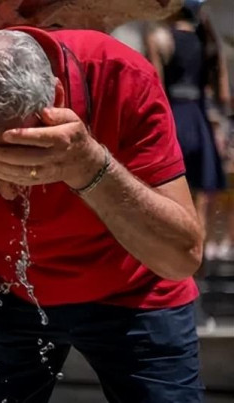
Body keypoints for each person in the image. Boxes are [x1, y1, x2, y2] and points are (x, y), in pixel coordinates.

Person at [0, 27, 205, 403]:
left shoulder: (120, 76)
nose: (6, 190)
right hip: (9, 288)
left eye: (21, 157)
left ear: (57, 100)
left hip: (135, 290)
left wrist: (90, 166)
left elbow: (183, 257)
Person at [146, 0, 231, 330]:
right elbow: (223, 95)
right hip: (200, 121)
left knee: (169, 207)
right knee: (201, 212)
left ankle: (174, 289)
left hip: (173, 124)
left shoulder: (159, 38)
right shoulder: (207, 40)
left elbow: (154, 89)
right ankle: (197, 293)